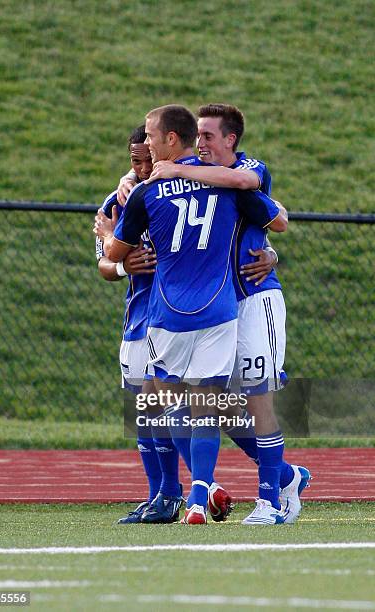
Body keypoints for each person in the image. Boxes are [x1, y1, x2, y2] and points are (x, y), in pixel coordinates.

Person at [97, 104, 287, 524]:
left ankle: (267, 492)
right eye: (135, 155)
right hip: (217, 310)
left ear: (169, 141)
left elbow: (108, 254)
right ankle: (197, 493)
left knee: (179, 402)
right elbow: (276, 217)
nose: (143, 152)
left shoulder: (203, 182)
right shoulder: (209, 186)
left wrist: (111, 238)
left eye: (148, 141)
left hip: (175, 312)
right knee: (203, 406)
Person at [146, 103, 311, 525]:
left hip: (257, 300)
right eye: (196, 135)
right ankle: (288, 476)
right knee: (218, 407)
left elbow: (274, 214)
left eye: (207, 136)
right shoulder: (200, 184)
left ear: (230, 140)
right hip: (221, 310)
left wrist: (271, 253)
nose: (198, 143)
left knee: (259, 399)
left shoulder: (243, 173)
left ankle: (270, 501)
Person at [95, 125, 182, 524]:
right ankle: (156, 496)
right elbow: (102, 264)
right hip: (137, 319)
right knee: (141, 413)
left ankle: (176, 492)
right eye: (136, 161)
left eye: (150, 158)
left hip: (175, 319)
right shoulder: (117, 202)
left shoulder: (182, 193)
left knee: (167, 408)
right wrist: (120, 262)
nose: (144, 167)